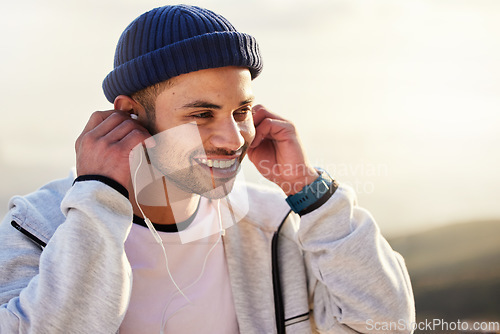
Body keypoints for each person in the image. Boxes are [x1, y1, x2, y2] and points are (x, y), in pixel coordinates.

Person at [0, 4, 415, 333]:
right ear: (129, 115)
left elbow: (385, 324)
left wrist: (308, 189)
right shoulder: (38, 226)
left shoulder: (271, 225)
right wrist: (98, 197)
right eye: (201, 114)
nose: (233, 139)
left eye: (242, 110)